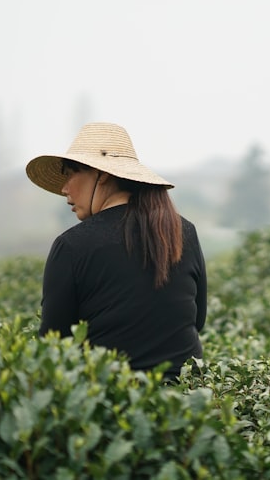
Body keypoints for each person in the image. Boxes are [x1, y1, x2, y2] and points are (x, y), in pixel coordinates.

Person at [25, 122, 206, 381]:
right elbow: (196, 321)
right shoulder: (183, 231)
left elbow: (53, 344)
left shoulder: (73, 245)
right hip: (186, 399)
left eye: (70, 174)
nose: (64, 189)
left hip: (112, 401)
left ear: (102, 174)